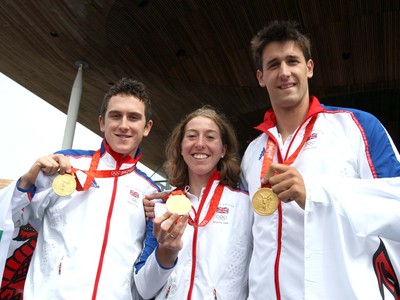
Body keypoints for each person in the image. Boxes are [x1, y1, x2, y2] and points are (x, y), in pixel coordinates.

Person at [240, 20, 400, 299]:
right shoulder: (253, 152)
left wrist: (315, 194)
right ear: (260, 77)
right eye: (273, 64)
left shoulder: (357, 127)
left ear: (309, 68)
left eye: (293, 61)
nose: (284, 72)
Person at [0, 77, 159, 299]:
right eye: (116, 115)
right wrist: (26, 181)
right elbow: (13, 219)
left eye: (133, 117)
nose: (124, 125)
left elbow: (148, 269)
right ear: (102, 122)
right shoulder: (64, 165)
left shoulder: (151, 193)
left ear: (147, 127)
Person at [134, 106, 253, 299]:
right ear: (181, 148)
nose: (200, 144)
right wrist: (166, 252)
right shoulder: (161, 206)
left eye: (210, 137)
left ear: (223, 149)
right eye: (191, 136)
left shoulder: (246, 205)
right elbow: (144, 289)